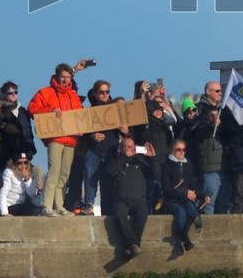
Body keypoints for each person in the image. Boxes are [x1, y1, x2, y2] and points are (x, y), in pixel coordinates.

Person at [28, 61, 87, 217]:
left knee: (65, 174)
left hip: (71, 139)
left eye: (68, 77)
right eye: (62, 76)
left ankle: (59, 205)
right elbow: (32, 109)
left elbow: (79, 115)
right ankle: (47, 206)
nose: (65, 80)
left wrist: (81, 128)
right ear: (56, 77)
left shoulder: (73, 95)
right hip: (55, 138)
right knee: (54, 171)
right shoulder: (46, 92)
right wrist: (50, 110)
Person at [106, 137, 155, 259]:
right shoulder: (116, 159)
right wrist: (125, 157)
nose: (131, 149)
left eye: (133, 146)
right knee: (120, 214)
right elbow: (109, 172)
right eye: (128, 146)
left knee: (143, 213)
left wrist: (152, 158)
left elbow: (154, 175)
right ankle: (134, 244)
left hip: (139, 200)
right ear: (121, 148)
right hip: (121, 200)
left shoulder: (140, 161)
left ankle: (131, 246)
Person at [81, 80, 123, 216]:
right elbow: (84, 133)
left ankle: (108, 209)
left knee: (108, 181)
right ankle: (89, 204)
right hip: (94, 150)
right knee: (90, 175)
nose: (105, 95)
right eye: (102, 92)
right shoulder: (90, 111)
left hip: (111, 150)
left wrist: (124, 129)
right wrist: (92, 136)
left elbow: (125, 131)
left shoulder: (115, 109)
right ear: (95, 93)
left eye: (107, 92)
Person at [162, 139, 208, 252]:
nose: (182, 152)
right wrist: (185, 192)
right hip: (171, 201)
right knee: (181, 210)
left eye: (184, 150)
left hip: (185, 200)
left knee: (188, 205)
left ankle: (196, 220)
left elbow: (193, 186)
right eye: (178, 150)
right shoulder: (166, 166)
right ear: (172, 150)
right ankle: (186, 238)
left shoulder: (188, 165)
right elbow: (167, 189)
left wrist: (203, 196)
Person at [192, 81, 229, 215]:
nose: (220, 93)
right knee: (209, 203)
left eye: (221, 91)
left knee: (225, 203)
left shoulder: (224, 110)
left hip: (225, 163)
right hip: (209, 165)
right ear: (208, 92)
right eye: (217, 91)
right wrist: (211, 124)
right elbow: (196, 131)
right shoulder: (198, 109)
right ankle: (207, 234)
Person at [0, 150, 44, 216]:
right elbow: (2, 193)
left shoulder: (28, 172)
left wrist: (27, 179)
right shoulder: (8, 172)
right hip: (10, 205)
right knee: (33, 210)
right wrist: (5, 213)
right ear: (15, 163)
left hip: (22, 204)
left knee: (39, 207)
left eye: (25, 162)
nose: (23, 165)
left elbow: (32, 194)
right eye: (20, 163)